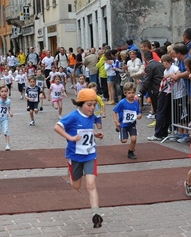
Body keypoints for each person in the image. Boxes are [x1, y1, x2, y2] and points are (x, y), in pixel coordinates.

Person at [54, 89, 104, 228]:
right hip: (75, 156)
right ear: (81, 104)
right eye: (89, 105)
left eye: (94, 105)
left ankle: (96, 214)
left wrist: (95, 134)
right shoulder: (73, 116)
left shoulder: (92, 116)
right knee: (76, 186)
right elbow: (57, 127)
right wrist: (70, 138)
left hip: (90, 155)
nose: (92, 108)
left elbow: (87, 130)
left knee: (91, 184)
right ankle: (71, 173)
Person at [136, 50, 165, 139]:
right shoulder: (160, 64)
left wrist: (140, 93)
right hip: (163, 89)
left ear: (144, 58)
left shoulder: (149, 66)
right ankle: (164, 131)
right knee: (163, 111)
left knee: (158, 112)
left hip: (155, 90)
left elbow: (147, 81)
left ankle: (158, 134)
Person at [113, 82, 142, 159]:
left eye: (133, 92)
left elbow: (139, 112)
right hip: (123, 124)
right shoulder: (122, 102)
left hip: (132, 124)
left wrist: (139, 115)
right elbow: (114, 111)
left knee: (134, 138)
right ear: (125, 93)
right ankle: (118, 129)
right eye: (129, 93)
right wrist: (116, 121)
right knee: (124, 141)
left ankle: (131, 152)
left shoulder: (136, 103)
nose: (131, 95)